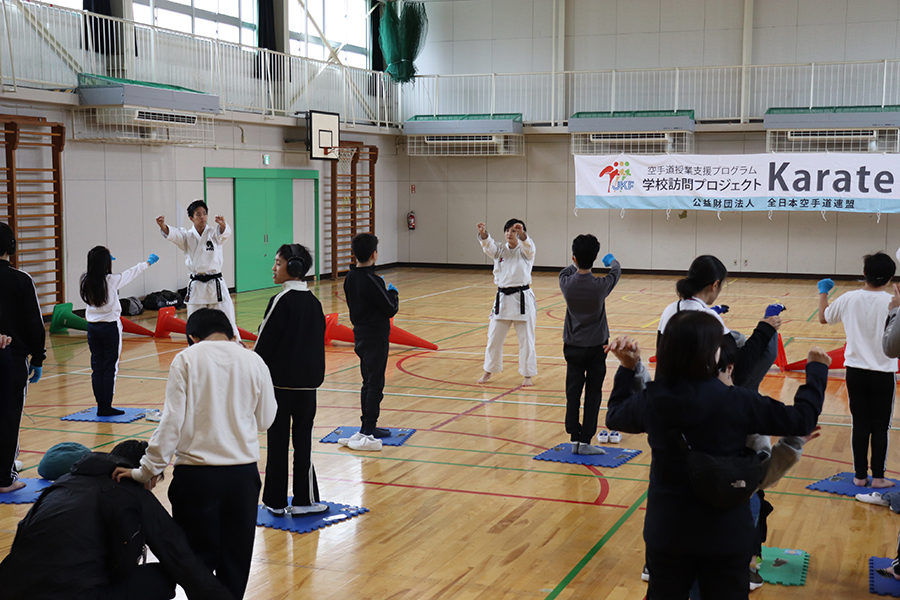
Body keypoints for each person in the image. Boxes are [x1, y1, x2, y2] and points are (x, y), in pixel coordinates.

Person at [606, 310, 829, 599]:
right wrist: (816, 373)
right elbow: (802, 419)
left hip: (668, 531)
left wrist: (627, 368)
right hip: (725, 533)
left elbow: (615, 417)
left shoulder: (654, 399)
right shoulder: (737, 400)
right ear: (711, 353)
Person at [115, 309, 277, 600]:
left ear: (192, 337)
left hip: (197, 477)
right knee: (236, 562)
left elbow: (171, 422)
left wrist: (145, 470)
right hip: (243, 477)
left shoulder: (187, 359)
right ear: (230, 332)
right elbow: (266, 419)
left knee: (196, 562)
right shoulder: (254, 360)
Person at [0, 440, 234, 600]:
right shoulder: (134, 494)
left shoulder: (64, 482)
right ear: (144, 474)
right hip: (74, 593)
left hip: (12, 588)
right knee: (162, 579)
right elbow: (180, 557)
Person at [254, 244, 328, 516]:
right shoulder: (315, 303)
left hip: (279, 388)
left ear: (293, 268)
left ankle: (274, 501)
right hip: (309, 387)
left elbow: (263, 345)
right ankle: (304, 501)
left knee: (277, 443)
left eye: (277, 262)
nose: (273, 268)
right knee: (303, 443)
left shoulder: (280, 301)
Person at [817, 251, 897, 488]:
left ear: (864, 274)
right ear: (891, 279)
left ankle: (860, 476)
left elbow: (823, 317)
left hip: (855, 372)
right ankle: (879, 477)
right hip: (883, 373)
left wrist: (823, 291)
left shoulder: (849, 298)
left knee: (860, 422)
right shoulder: (892, 303)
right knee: (881, 426)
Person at [657, 255, 782, 394]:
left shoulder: (670, 309)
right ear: (715, 285)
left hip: (666, 387)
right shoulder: (708, 318)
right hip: (701, 394)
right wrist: (764, 328)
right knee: (767, 346)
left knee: (737, 337)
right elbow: (738, 365)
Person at [558, 234, 620, 455]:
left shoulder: (566, 283)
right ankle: (585, 440)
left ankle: (574, 437)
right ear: (594, 258)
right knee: (593, 393)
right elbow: (616, 270)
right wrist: (610, 260)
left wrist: (577, 262)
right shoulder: (600, 286)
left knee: (573, 392)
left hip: (572, 346)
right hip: (596, 348)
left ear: (574, 258)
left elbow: (565, 271)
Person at [81, 246, 160, 416]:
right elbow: (132, 272)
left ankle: (100, 405)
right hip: (110, 327)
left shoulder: (85, 280)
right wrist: (147, 262)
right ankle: (106, 406)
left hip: (92, 328)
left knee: (97, 367)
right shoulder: (111, 280)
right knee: (110, 367)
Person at [341, 233, 399, 452]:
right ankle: (368, 428)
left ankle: (368, 423)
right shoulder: (371, 280)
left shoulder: (350, 277)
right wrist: (393, 293)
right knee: (375, 383)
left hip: (360, 334)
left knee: (368, 379)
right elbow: (390, 308)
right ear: (374, 254)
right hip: (375, 336)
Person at [0, 221, 45, 494]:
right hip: (13, 359)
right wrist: (38, 359)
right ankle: (5, 478)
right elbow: (35, 323)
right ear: (12, 248)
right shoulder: (21, 279)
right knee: (8, 417)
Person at [156, 200, 237, 334]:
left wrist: (222, 224)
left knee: (227, 319)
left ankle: (233, 346)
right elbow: (173, 234)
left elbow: (224, 233)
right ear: (191, 218)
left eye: (205, 213)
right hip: (197, 285)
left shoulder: (214, 233)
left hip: (215, 284)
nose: (202, 217)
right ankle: (197, 349)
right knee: (195, 322)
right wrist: (163, 225)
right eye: (198, 214)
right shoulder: (187, 236)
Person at [476, 219, 537, 386]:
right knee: (494, 337)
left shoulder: (526, 251)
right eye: (507, 230)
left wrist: (522, 233)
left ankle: (527, 374)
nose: (509, 233)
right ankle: (488, 370)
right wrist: (483, 234)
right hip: (502, 299)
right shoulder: (500, 250)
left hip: (522, 299)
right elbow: (489, 246)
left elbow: (528, 246)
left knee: (526, 340)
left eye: (513, 231)